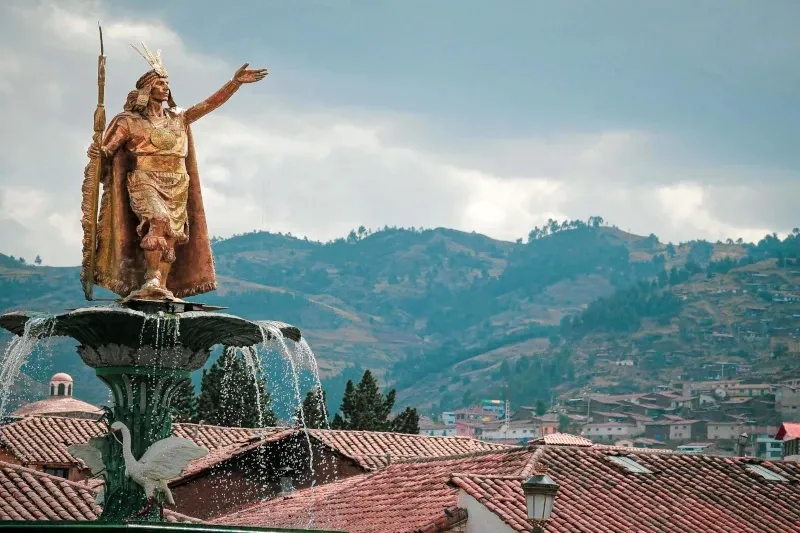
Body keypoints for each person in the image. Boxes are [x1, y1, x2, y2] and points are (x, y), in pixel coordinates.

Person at [84, 44, 267, 300]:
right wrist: (98, 153)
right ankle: (151, 278)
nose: (165, 88)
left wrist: (234, 83)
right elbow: (107, 152)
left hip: (178, 181)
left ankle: (161, 285)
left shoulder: (179, 117)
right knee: (158, 220)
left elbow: (208, 105)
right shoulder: (128, 121)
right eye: (160, 83)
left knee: (171, 234)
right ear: (147, 89)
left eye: (167, 84)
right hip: (145, 179)